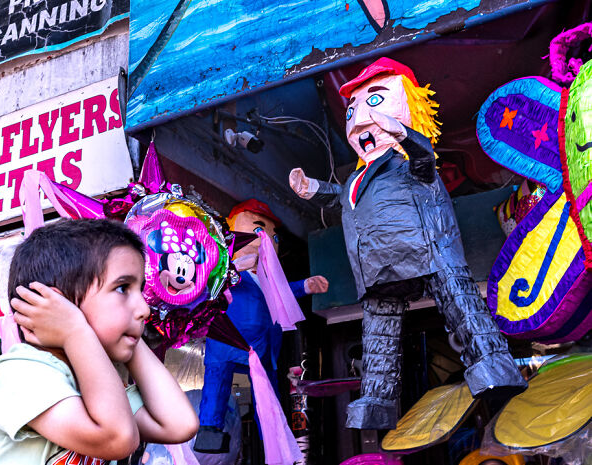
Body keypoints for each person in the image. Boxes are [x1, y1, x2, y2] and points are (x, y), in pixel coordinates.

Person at [289, 58, 527, 430]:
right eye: (352, 110)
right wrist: (311, 189)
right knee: (378, 338)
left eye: (374, 102)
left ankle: (493, 369)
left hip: (428, 247)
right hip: (378, 265)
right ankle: (377, 401)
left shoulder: (410, 161)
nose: (358, 118)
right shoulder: (356, 177)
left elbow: (424, 158)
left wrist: (401, 133)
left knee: (463, 310)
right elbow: (340, 196)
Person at [0, 219, 199, 465]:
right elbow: (118, 438)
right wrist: (76, 330)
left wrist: (127, 336)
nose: (144, 309)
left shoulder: (93, 386)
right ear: (56, 304)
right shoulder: (19, 372)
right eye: (123, 288)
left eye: (140, 290)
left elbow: (179, 424)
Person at [195, 199, 328, 452]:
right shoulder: (224, 268)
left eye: (273, 237)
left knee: (267, 391)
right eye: (258, 231)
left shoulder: (268, 276)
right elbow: (207, 282)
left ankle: (274, 435)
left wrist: (306, 286)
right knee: (217, 380)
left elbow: (283, 292)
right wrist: (232, 267)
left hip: (261, 346)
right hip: (226, 337)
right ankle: (209, 431)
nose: (267, 240)